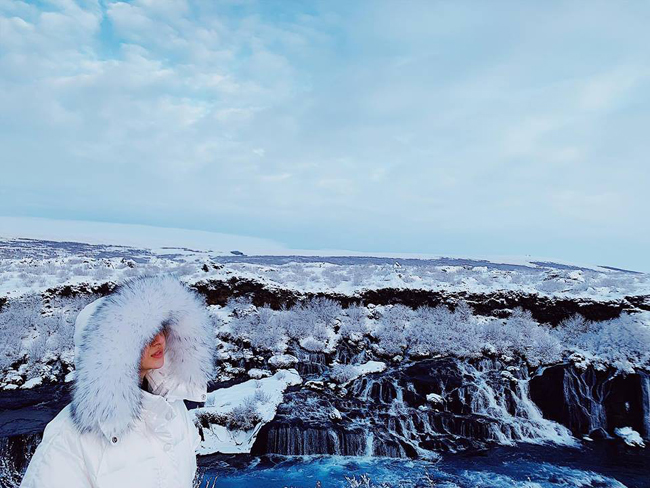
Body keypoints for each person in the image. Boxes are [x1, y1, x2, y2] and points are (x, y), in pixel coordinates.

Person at [20, 274, 215, 488]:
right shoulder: (67, 438)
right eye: (144, 333)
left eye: (160, 328)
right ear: (113, 348)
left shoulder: (172, 408)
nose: (159, 340)